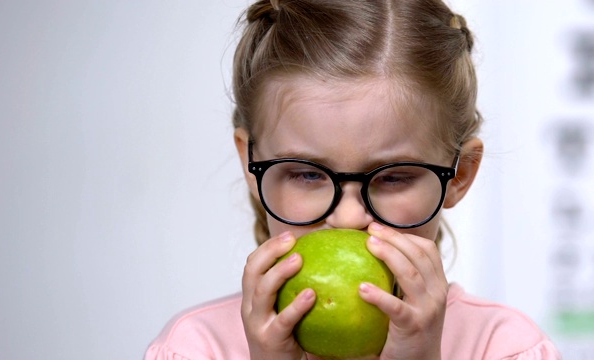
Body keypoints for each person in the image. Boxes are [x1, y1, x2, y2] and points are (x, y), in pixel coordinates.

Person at [145, 0, 562, 359]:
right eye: (307, 174)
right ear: (251, 163)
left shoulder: (508, 349)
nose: (347, 219)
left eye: (394, 177)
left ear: (460, 174)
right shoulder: (194, 349)